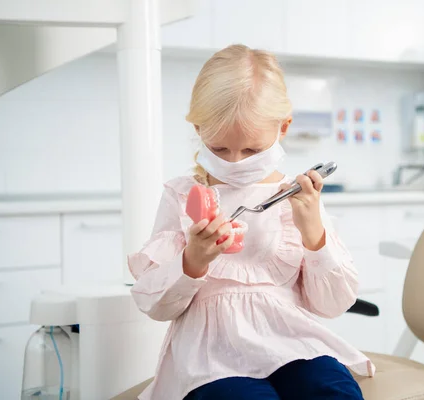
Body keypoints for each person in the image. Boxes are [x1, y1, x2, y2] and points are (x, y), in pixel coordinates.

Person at [128, 44, 375, 400]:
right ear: (199, 129)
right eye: (220, 149)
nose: (236, 162)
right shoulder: (182, 196)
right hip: (210, 352)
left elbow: (332, 304)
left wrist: (313, 234)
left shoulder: (297, 197)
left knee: (333, 390)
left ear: (283, 128)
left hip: (289, 339)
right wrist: (193, 261)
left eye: (251, 150)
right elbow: (155, 304)